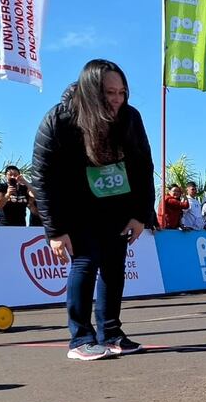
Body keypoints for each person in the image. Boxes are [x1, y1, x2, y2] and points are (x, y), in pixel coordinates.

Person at [31, 59, 154, 361]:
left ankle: (111, 334)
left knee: (114, 267)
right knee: (85, 263)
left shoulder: (130, 118)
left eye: (121, 92)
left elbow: (143, 167)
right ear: (90, 90)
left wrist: (141, 214)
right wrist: (55, 230)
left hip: (116, 206)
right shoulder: (60, 119)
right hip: (75, 208)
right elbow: (41, 176)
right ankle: (81, 339)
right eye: (109, 92)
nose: (116, 100)